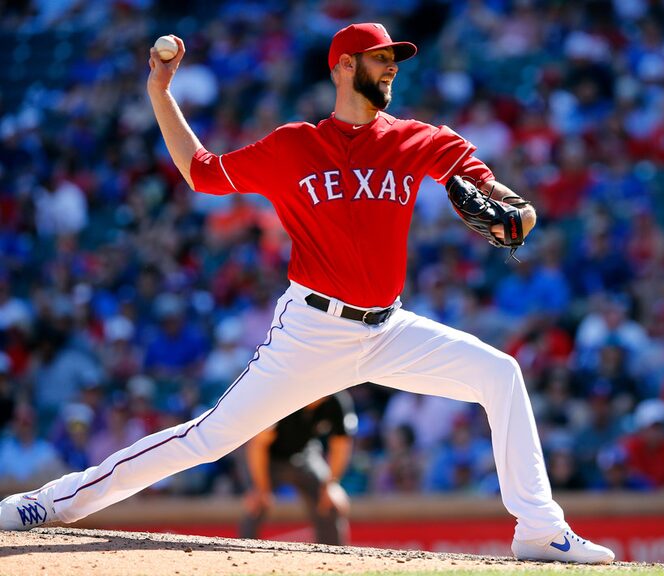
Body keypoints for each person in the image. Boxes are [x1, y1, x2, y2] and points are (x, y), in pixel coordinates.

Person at [0, 23, 614, 564]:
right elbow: (202, 171)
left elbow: (491, 191)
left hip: (388, 329)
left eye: (395, 60)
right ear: (344, 66)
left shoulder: (416, 139)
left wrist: (519, 211)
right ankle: (45, 504)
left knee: (500, 374)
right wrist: (161, 94)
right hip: (311, 331)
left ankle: (539, 529)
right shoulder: (295, 146)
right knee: (208, 438)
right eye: (380, 59)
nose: (392, 68)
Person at [239, 393, 356, 544]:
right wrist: (260, 487)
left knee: (330, 502)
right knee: (255, 503)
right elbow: (258, 445)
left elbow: (341, 444)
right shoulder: (283, 395)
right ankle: (240, 558)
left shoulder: (336, 398)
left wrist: (331, 484)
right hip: (268, 458)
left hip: (305, 454)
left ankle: (336, 560)